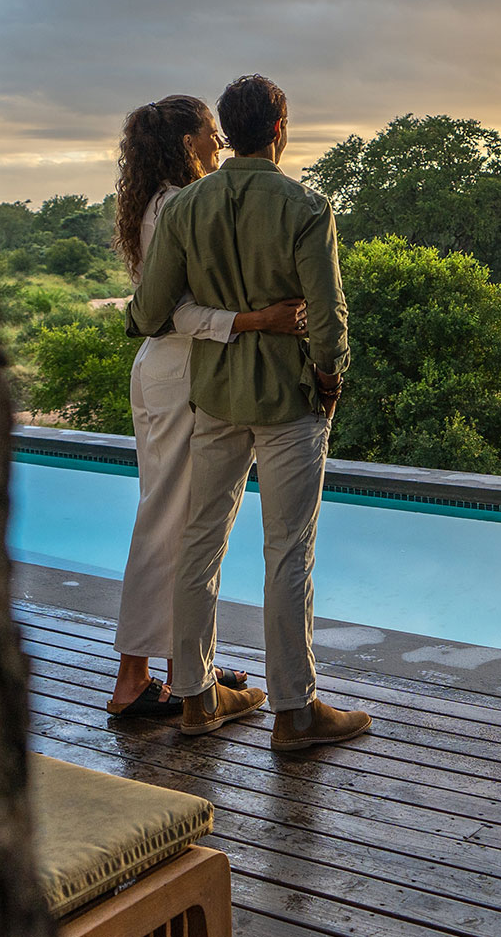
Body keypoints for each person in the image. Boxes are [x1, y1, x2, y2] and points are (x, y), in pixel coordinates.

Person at [128, 74, 370, 750]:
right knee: (287, 552)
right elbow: (327, 313)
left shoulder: (186, 207)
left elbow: (149, 311)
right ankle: (295, 710)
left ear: (229, 133)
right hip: (289, 400)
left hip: (214, 397)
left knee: (199, 544)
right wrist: (330, 378)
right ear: (280, 127)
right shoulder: (305, 206)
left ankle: (196, 697)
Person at [107, 94, 311, 717]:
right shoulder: (177, 205)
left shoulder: (166, 202)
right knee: (170, 523)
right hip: (179, 373)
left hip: (172, 372)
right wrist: (257, 320)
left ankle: (186, 667)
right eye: (208, 131)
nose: (218, 141)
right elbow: (171, 314)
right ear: (185, 142)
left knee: (185, 523)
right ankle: (133, 679)